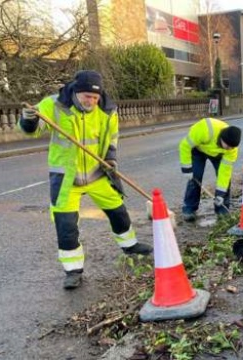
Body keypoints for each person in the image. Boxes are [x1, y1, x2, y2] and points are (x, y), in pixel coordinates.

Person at [19, 70, 153, 290]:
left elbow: (112, 137)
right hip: (66, 178)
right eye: (86, 97)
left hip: (96, 172)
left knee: (118, 210)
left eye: (95, 97)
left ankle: (130, 245)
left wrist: (110, 158)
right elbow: (32, 130)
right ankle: (73, 270)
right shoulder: (54, 105)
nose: (91, 101)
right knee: (66, 225)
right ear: (75, 91)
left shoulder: (107, 110)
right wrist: (29, 119)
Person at [178, 118, 241, 221]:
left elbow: (224, 173)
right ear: (222, 138)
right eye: (228, 146)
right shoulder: (205, 130)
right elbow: (184, 146)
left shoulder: (231, 150)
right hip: (198, 150)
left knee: (226, 181)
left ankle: (222, 210)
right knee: (195, 178)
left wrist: (220, 194)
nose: (229, 149)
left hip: (217, 154)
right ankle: (189, 209)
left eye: (232, 147)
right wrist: (186, 169)